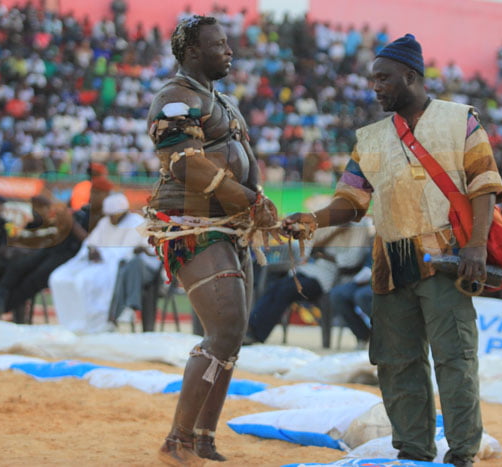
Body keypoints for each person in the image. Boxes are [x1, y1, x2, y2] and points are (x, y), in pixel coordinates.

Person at [282, 34, 502, 467]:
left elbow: (485, 185)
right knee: (394, 361)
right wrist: (311, 220)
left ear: (411, 75)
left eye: (384, 78)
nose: (376, 87)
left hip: (447, 257)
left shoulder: (459, 119)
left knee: (454, 360)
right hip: (390, 261)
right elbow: (350, 202)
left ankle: (462, 454)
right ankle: (413, 451)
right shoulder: (368, 138)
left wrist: (477, 246)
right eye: (373, 80)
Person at [141, 15, 279, 465]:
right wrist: (244, 196)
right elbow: (183, 161)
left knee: (232, 335)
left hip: (231, 226)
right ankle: (177, 440)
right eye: (219, 45)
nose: (229, 51)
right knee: (222, 330)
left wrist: (259, 203)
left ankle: (202, 437)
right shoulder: (174, 96)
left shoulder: (225, 102)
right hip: (190, 225)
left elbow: (245, 163)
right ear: (193, 52)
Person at [244, 221, 371, 344]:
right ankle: (250, 328)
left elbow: (351, 260)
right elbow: (306, 248)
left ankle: (257, 335)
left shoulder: (360, 226)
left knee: (285, 291)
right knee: (275, 287)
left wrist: (323, 254)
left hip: (329, 277)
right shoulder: (331, 223)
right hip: (310, 270)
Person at [0, 194, 91, 322]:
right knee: (16, 267)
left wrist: (71, 222)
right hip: (46, 253)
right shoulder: (30, 224)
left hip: (66, 260)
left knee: (30, 280)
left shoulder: (63, 222)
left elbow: (89, 242)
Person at [49, 193, 149, 334]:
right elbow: (90, 243)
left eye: (113, 215)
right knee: (58, 277)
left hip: (116, 266)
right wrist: (91, 250)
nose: (110, 218)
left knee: (83, 280)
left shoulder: (136, 222)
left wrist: (102, 253)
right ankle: (70, 323)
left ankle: (95, 324)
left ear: (122, 212)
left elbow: (126, 252)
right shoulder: (105, 223)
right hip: (96, 262)